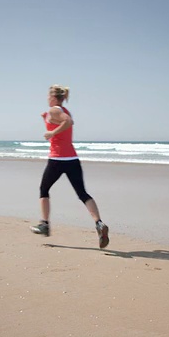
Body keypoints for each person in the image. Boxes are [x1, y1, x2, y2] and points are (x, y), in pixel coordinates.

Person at [30, 84, 110, 249]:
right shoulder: (62, 111)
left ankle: (44, 224)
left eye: (48, 96)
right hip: (72, 158)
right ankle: (99, 224)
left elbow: (68, 122)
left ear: (53, 97)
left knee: (43, 189)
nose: (46, 98)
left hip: (57, 159)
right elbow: (63, 121)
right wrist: (46, 119)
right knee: (82, 193)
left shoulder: (56, 111)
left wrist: (52, 132)